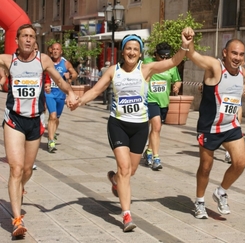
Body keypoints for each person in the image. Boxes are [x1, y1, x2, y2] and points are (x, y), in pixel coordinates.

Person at [71, 28, 194, 232]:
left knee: (131, 171)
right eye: (128, 48)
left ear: (140, 52)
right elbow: (95, 90)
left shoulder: (146, 69)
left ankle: (115, 180)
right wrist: (79, 101)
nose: (131, 52)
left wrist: (185, 44)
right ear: (123, 51)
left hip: (139, 127)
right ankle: (126, 215)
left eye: (135, 49)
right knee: (125, 169)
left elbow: (173, 61)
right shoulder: (113, 71)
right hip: (118, 124)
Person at [0, 23, 78, 238]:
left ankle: (19, 188)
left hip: (35, 121)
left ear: (35, 41)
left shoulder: (42, 60)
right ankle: (16, 220)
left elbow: (60, 81)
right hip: (14, 120)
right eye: (24, 36)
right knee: (15, 169)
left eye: (31, 36)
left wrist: (70, 93)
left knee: (26, 171)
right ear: (16, 40)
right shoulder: (8, 60)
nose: (27, 39)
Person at [186, 39, 245, 219]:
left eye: (241, 54)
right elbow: (193, 56)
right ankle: (199, 201)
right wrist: (188, 43)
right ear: (225, 52)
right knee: (205, 167)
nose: (237, 58)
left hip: (230, 126)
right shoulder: (215, 67)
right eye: (234, 53)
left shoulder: (243, 72)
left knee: (240, 162)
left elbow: (236, 97)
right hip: (210, 128)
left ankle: (221, 192)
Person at [143, 42, 182, 170]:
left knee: (156, 129)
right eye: (162, 57)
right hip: (150, 100)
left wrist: (177, 85)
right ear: (156, 55)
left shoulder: (171, 66)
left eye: (167, 57)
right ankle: (156, 158)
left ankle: (148, 151)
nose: (165, 59)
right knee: (157, 126)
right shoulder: (148, 62)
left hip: (164, 102)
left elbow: (177, 79)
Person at [45, 42, 78, 153]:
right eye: (53, 49)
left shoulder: (65, 63)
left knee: (57, 118)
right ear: (51, 50)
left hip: (60, 94)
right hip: (49, 93)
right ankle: (50, 141)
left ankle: (52, 133)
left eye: (57, 49)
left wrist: (70, 77)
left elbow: (75, 74)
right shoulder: (46, 61)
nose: (55, 51)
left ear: (61, 51)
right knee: (52, 116)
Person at [224, 66, 245, 163]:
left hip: (236, 101)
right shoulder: (223, 71)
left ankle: (229, 153)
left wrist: (244, 91)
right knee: (229, 126)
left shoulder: (242, 72)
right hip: (228, 101)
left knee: (237, 124)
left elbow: (243, 87)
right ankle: (228, 153)